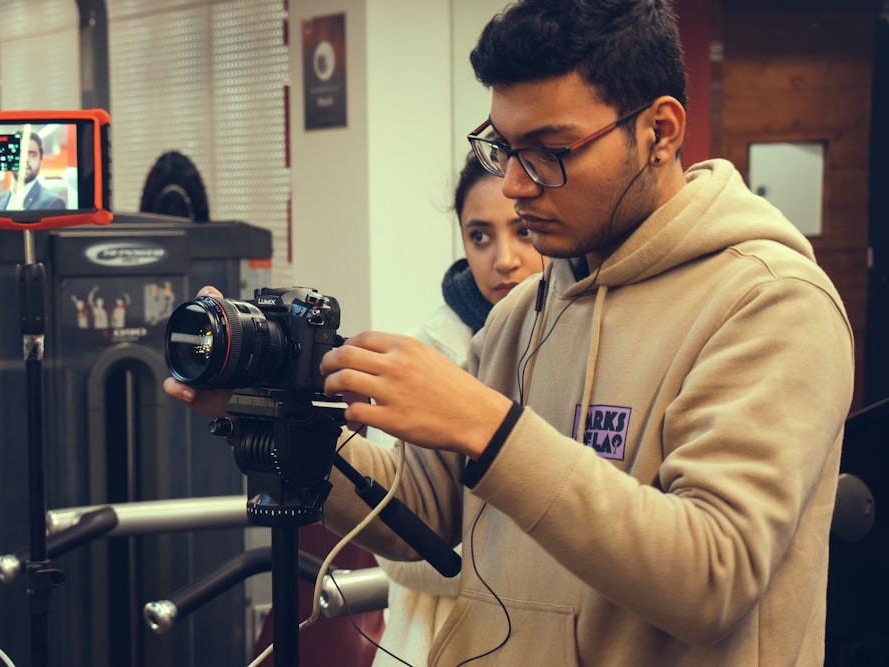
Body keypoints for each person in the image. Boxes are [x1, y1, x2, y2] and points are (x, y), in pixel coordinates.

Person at [164, 1, 854, 664]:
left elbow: (713, 577)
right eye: (504, 147)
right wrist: (286, 425)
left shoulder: (770, 302)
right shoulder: (523, 312)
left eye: (551, 150)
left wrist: (489, 427)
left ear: (661, 132)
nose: (518, 184)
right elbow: (426, 516)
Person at [364, 151, 544, 666]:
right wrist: (542, 562)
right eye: (480, 236)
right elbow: (396, 554)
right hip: (430, 648)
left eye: (523, 231)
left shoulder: (575, 341)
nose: (504, 259)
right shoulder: (426, 354)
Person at [0, 132, 66, 211]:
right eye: (19, 154)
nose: (25, 160)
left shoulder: (53, 203)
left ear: (40, 161)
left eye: (32, 154)